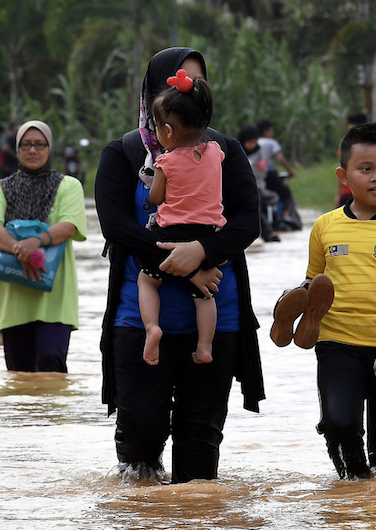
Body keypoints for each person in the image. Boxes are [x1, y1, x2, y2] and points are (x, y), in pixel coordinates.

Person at [94, 46, 264, 484]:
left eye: (197, 81)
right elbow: (116, 227)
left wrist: (203, 252)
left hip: (216, 317)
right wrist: (187, 263)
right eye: (179, 80)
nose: (190, 88)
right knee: (140, 438)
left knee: (199, 450)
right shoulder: (125, 154)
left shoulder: (224, 151)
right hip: (141, 320)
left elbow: (248, 221)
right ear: (156, 90)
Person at [290, 122, 376, 479]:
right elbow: (314, 285)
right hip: (337, 345)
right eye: (365, 169)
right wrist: (300, 314)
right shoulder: (324, 227)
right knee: (339, 425)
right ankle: (352, 494)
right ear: (344, 175)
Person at [0, 119, 87, 373]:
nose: (32, 150)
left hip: (55, 296)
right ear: (17, 149)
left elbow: (70, 226)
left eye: (40, 144)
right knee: (20, 378)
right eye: (26, 144)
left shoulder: (69, 186)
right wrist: (21, 249)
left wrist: (35, 241)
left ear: (50, 149)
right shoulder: (0, 188)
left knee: (51, 366)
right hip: (13, 295)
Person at [140, 72, 226, 366]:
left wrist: (152, 186)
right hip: (206, 235)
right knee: (204, 295)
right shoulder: (215, 152)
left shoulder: (165, 161)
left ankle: (152, 328)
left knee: (148, 282)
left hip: (170, 234)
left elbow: (157, 199)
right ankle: (204, 347)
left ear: (166, 131)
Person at [238, 124, 280, 242]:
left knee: (255, 204)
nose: (252, 145)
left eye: (254, 141)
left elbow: (262, 173)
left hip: (257, 186)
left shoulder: (260, 153)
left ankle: (268, 232)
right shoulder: (237, 150)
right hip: (239, 187)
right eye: (249, 142)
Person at [256, 118, 297, 229]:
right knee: (286, 194)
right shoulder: (271, 142)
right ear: (267, 131)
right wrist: (290, 172)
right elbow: (280, 159)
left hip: (257, 177)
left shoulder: (255, 142)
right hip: (270, 175)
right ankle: (286, 215)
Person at [334, 112, 368, 208]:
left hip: (349, 192)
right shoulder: (372, 143)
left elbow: (342, 168)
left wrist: (338, 194)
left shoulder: (346, 142)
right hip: (362, 192)